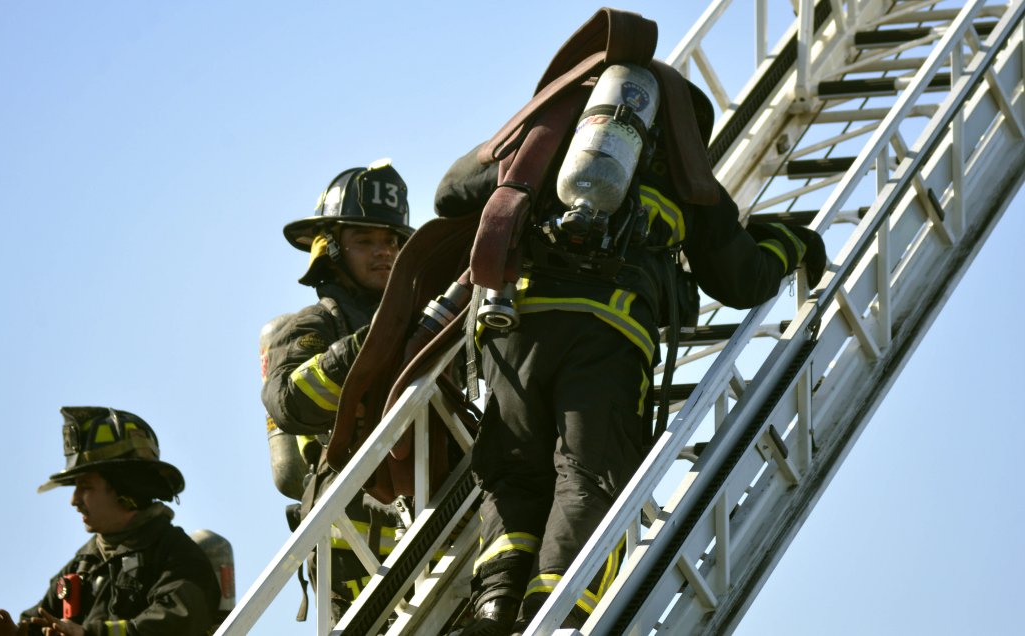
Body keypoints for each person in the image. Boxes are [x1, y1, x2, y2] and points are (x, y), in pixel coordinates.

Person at [436, 60, 827, 636]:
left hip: (513, 334)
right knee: (588, 474)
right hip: (607, 340)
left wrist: (528, 129)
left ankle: (494, 610)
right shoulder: (684, 178)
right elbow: (740, 280)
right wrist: (790, 241)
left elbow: (450, 194)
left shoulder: (543, 152)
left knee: (513, 474)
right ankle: (561, 614)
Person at [260, 159, 414, 621]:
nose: (382, 252)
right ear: (331, 251)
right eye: (364, 241)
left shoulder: (425, 320)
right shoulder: (313, 326)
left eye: (391, 241)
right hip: (349, 533)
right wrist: (370, 344)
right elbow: (290, 404)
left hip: (429, 512)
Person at [0, 407, 220, 636]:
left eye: (85, 486)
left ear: (126, 488)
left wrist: (90, 634)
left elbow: (177, 622)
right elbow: (44, 619)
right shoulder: (83, 566)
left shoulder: (174, 555)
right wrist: (20, 633)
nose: (74, 500)